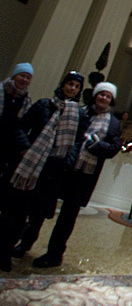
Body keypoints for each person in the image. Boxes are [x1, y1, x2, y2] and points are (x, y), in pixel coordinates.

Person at [14, 81, 121, 267]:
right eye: (101, 94)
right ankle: (25, 243)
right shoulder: (78, 111)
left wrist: (94, 145)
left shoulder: (113, 123)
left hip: (84, 175)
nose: (103, 98)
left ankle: (54, 255)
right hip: (61, 168)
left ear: (111, 100)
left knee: (67, 217)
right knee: (40, 208)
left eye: (108, 96)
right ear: (95, 95)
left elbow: (113, 148)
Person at [0, 70, 86, 272]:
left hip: (51, 172)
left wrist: (67, 161)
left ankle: (14, 247)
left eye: (77, 86)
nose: (72, 88)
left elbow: (77, 142)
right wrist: (25, 148)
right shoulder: (43, 105)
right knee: (14, 212)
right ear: (63, 85)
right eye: (70, 84)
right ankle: (3, 251)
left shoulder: (79, 114)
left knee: (32, 216)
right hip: (30, 166)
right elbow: (21, 127)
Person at [0, 63, 34, 188]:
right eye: (22, 75)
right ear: (15, 76)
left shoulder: (26, 100)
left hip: (7, 147)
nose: (24, 80)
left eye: (28, 77)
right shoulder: (1, 90)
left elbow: (20, 127)